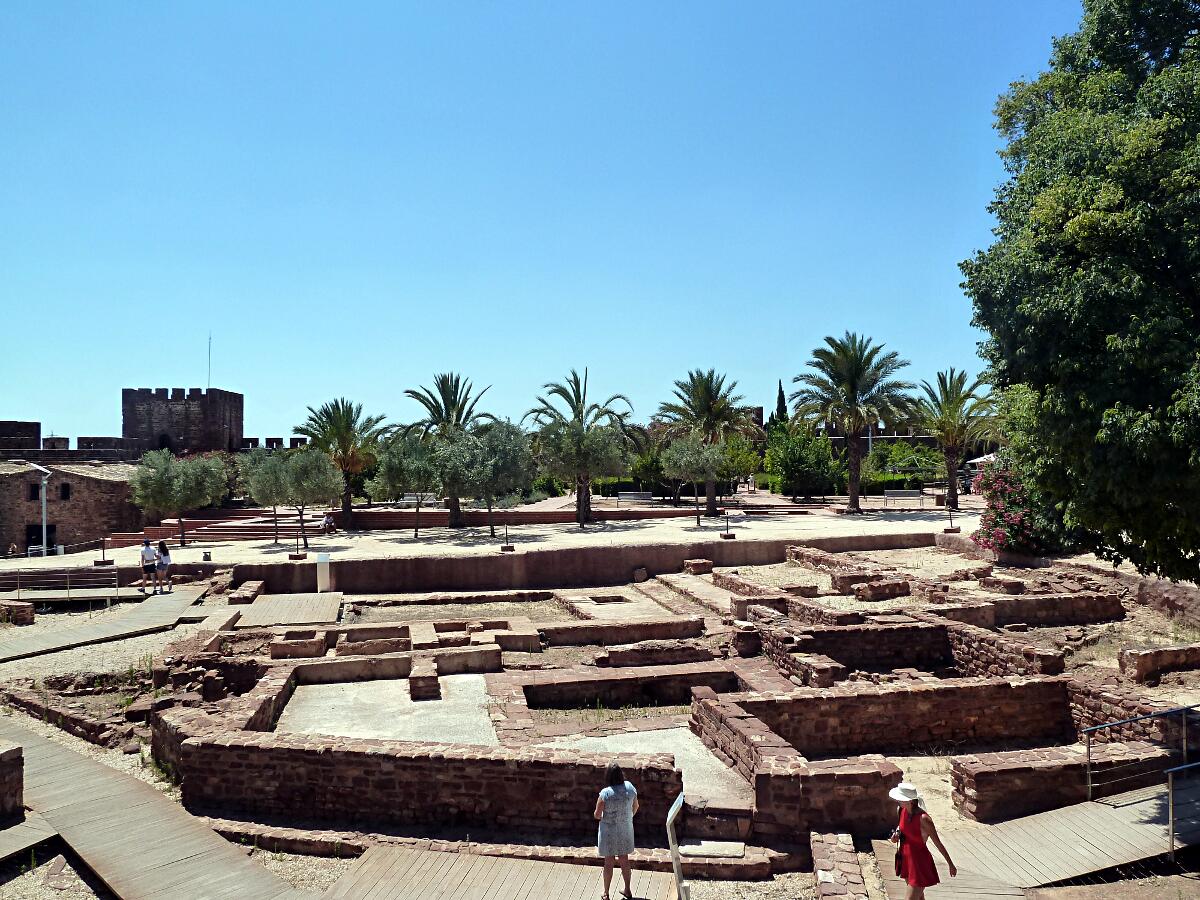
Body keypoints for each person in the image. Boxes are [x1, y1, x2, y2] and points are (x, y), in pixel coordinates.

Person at [889, 782, 955, 899]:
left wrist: (950, 864)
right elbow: (901, 831)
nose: (897, 800)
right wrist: (895, 837)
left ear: (910, 801)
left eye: (900, 798)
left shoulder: (924, 819)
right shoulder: (901, 810)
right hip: (906, 860)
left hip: (920, 864)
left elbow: (938, 843)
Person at [594, 762, 638, 900]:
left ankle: (606, 893)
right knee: (624, 860)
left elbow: (597, 814)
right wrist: (627, 817)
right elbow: (636, 806)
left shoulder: (605, 794)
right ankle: (627, 890)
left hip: (608, 831)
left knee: (609, 862)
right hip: (625, 829)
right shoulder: (630, 788)